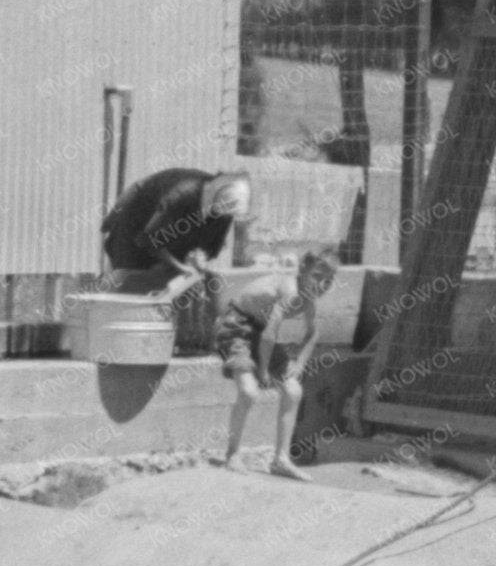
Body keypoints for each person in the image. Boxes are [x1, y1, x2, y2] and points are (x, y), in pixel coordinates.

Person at [98, 166, 336, 478]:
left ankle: (280, 458)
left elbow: (310, 330)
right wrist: (180, 267)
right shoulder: (181, 194)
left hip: (254, 327)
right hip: (141, 232)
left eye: (327, 280)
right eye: (318, 277)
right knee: (249, 391)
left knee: (292, 390)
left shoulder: (222, 213)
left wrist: (298, 364)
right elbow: (150, 239)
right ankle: (232, 455)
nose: (322, 285)